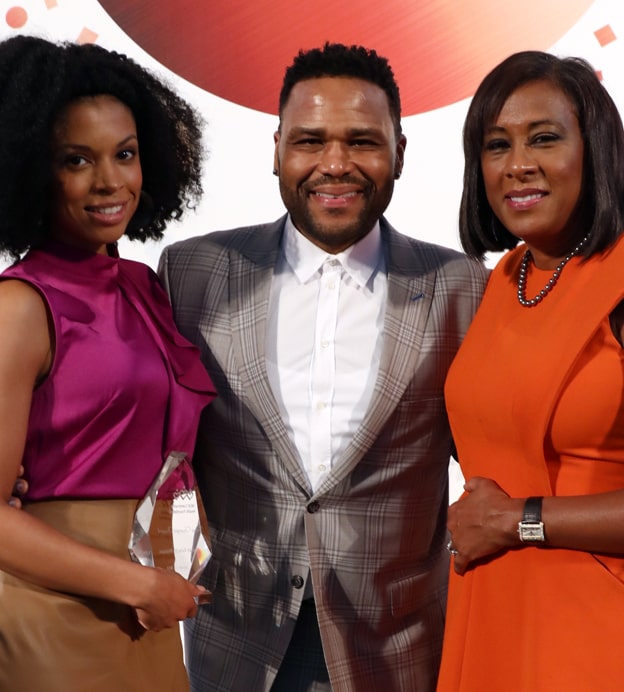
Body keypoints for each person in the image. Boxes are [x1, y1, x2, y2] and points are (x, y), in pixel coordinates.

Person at [158, 42, 488, 691]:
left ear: (399, 149)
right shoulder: (192, 273)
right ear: (278, 147)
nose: (335, 165)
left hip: (398, 652)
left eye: (362, 141)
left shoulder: (462, 287)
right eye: (311, 141)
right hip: (235, 641)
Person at [0, 35, 216, 691]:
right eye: (76, 160)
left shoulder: (145, 285)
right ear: (31, 170)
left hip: (148, 607)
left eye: (124, 154)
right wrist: (137, 583)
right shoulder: (21, 305)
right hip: (53, 610)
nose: (109, 182)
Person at [436, 51, 624, 691]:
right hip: (489, 620)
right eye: (496, 145)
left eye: (544, 137)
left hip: (593, 637)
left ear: (594, 147)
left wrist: (520, 520)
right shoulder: (507, 279)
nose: (518, 163)